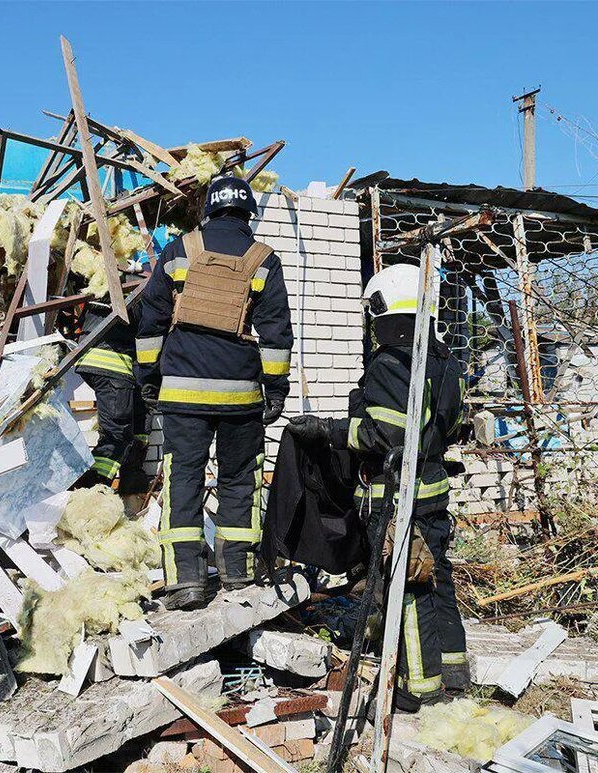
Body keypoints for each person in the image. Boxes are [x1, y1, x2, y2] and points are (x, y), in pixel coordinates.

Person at [288, 262, 468, 709]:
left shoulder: (391, 363)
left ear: (384, 308)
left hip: (397, 495)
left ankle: (420, 687)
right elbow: (452, 427)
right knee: (435, 578)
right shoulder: (443, 359)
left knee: (405, 588)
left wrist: (328, 431)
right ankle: (453, 668)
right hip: (432, 486)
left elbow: (384, 436)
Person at [136, 176, 294, 611]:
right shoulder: (264, 259)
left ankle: (185, 579)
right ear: (249, 214)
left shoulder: (180, 250)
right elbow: (277, 332)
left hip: (183, 392)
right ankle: (238, 572)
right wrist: (275, 389)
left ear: (209, 210)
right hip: (241, 396)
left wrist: (148, 376)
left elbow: (151, 318)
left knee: (183, 476)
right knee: (239, 477)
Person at [72, 294, 151, 496]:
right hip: (111, 364)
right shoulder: (138, 290)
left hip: (118, 365)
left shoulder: (119, 283)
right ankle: (92, 492)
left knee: (135, 432)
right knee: (117, 435)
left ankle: (130, 490)